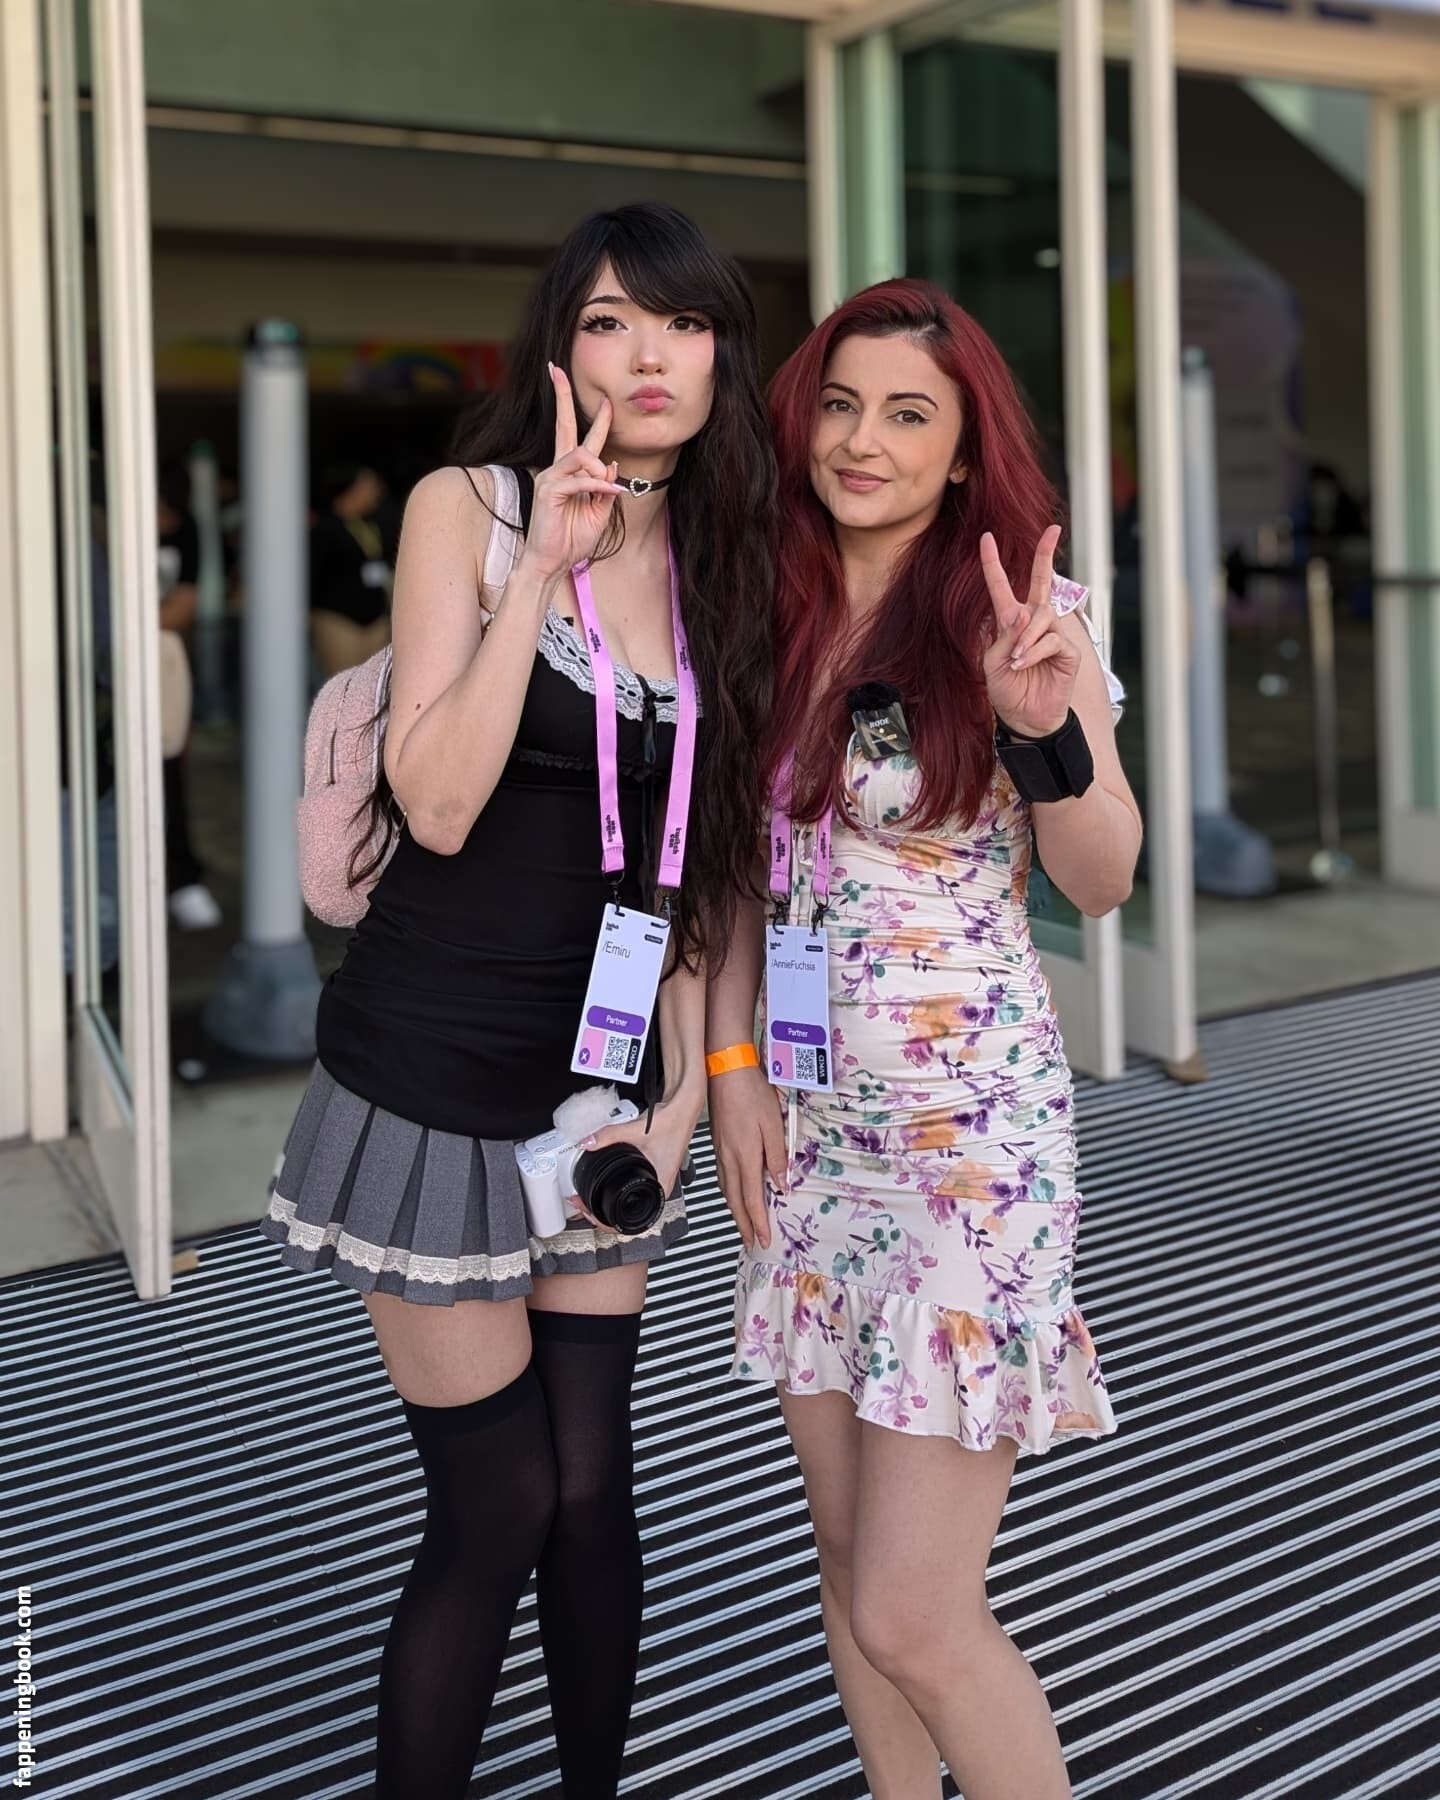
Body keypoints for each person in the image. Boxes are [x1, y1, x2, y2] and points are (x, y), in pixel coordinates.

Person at [258, 203, 775, 1800]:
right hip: (433, 1077)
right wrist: (545, 563)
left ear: (722, 357)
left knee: (596, 1490)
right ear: (560, 347)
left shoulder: (736, 563)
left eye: (682, 324)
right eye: (611, 320)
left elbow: (714, 865)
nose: (648, 356)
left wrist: (687, 1097)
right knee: (499, 1507)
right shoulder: (467, 510)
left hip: (605, 1093)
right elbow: (437, 799)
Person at [706, 278, 1138, 1800]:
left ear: (964, 454)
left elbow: (1104, 876)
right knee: (845, 1570)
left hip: (969, 1146)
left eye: (906, 415)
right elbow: (740, 875)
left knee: (913, 1608)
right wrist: (732, 1068)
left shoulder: (1021, 619)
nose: (861, 441)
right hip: (813, 1134)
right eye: (839, 405)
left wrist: (1040, 725)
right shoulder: (767, 604)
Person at [157, 467, 222, 930]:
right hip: (104, 667)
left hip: (163, 665)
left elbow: (185, 604)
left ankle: (180, 878)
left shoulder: (188, 530)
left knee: (169, 773)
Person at [307, 462, 398, 679]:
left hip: (375, 616)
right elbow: (312, 574)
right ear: (350, 488)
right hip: (338, 617)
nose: (376, 491)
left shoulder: (371, 525)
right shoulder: (324, 528)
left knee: (373, 685)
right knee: (344, 683)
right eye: (368, 485)